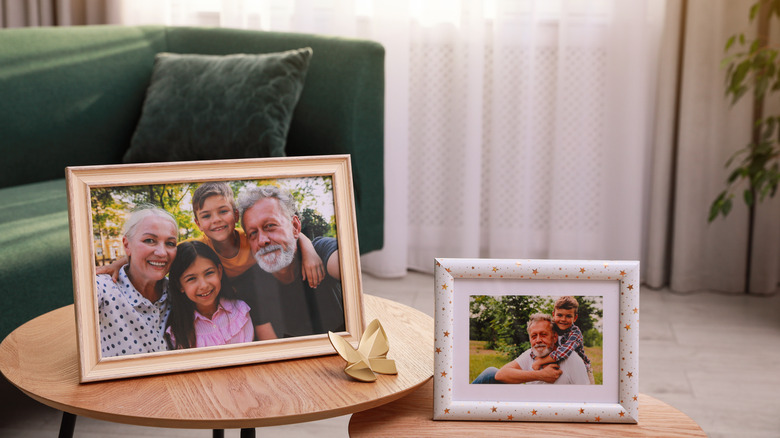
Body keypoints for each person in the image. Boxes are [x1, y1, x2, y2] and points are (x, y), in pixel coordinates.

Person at [97, 182, 324, 341]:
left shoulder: (252, 237)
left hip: (256, 300)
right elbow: (162, 253)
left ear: (235, 215)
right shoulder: (200, 247)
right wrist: (120, 264)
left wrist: (309, 248)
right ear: (197, 222)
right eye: (206, 216)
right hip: (224, 302)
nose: (215, 220)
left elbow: (285, 234)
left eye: (222, 211)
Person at [237, 185, 344, 338]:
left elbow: (350, 272)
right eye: (253, 233)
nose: (262, 240)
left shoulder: (322, 250)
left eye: (270, 226)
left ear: (295, 226)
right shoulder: (254, 286)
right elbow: (272, 348)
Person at [96, 206, 178, 357]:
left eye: (170, 243)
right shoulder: (103, 288)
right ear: (127, 245)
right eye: (149, 240)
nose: (162, 252)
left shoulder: (179, 292)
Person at [165, 241, 261, 349]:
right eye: (191, 279)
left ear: (219, 272)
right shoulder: (178, 331)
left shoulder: (240, 311)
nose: (203, 285)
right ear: (180, 285)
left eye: (209, 273)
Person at [471, 313, 590, 384]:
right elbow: (500, 374)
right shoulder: (529, 354)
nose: (538, 340)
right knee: (490, 372)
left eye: (543, 335)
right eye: (534, 336)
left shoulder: (571, 359)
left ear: (554, 337)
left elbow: (585, 397)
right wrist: (541, 375)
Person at [531, 296, 596, 384]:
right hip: (561, 366)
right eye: (560, 315)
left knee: (587, 392)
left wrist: (540, 362)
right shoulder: (552, 329)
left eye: (568, 316)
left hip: (581, 370)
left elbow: (563, 352)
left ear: (575, 318)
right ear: (554, 314)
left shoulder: (575, 333)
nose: (563, 319)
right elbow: (541, 344)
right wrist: (536, 357)